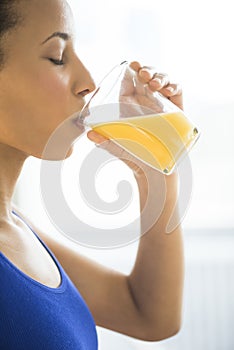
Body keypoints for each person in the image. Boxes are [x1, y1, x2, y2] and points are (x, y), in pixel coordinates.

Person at [0, 0, 184, 349]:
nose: (89, 83)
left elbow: (150, 315)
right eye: (57, 57)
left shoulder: (16, 228)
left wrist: (156, 170)